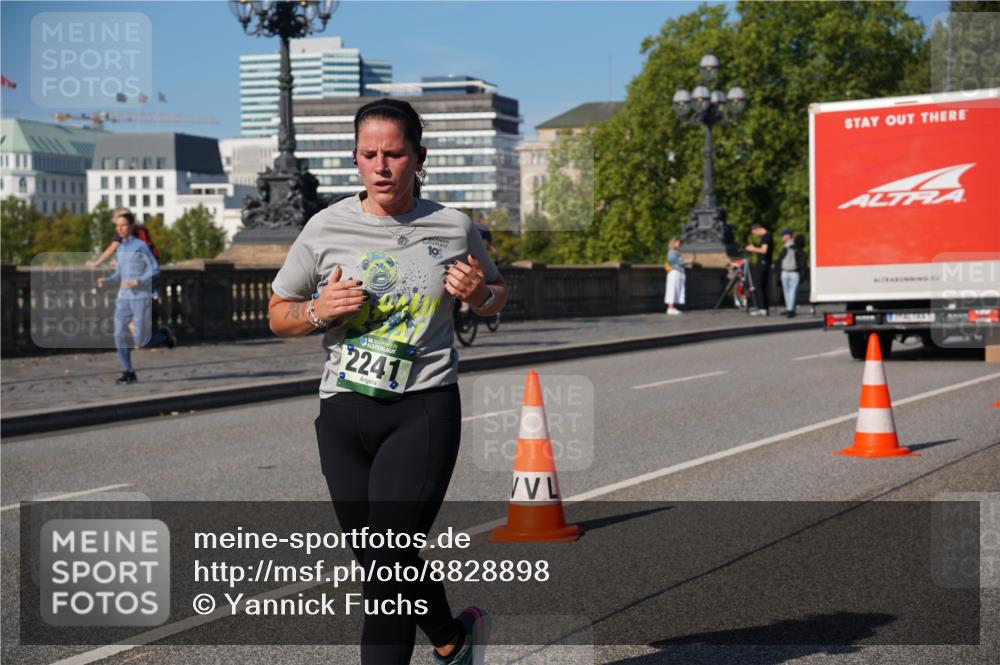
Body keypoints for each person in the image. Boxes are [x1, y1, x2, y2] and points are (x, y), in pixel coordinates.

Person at [268, 98, 506, 665]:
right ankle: (451, 638)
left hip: (421, 409)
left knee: (386, 568)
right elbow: (278, 313)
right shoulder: (325, 226)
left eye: (394, 154)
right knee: (379, 561)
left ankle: (444, 641)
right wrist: (319, 311)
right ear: (355, 158)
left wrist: (479, 295)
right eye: (369, 154)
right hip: (343, 412)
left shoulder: (453, 226)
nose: (381, 166)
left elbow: (497, 294)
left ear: (418, 158)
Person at [96, 209, 174, 384]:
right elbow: (120, 273)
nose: (120, 229)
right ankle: (128, 372)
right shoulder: (121, 248)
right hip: (123, 298)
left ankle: (163, 335)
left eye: (123, 225)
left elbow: (155, 269)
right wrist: (106, 281)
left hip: (140, 297)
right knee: (118, 334)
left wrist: (137, 281)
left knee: (141, 341)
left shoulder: (141, 246)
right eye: (117, 226)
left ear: (131, 226)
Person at [777, 228, 806, 317]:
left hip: (785, 272)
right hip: (794, 272)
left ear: (788, 236)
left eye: (783, 235)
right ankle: (790, 310)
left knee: (786, 292)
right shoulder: (797, 247)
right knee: (792, 292)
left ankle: (789, 309)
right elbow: (802, 262)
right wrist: (803, 274)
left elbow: (779, 260)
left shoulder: (785, 247)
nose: (782, 237)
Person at [745, 222, 772, 316]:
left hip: (762, 264)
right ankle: (765, 308)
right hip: (765, 264)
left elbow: (764, 250)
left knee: (758, 285)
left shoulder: (766, 237)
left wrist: (752, 249)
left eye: (755, 233)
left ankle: (762, 308)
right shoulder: (768, 236)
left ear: (757, 229)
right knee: (763, 286)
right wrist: (755, 246)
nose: (755, 235)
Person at [663, 237, 689, 315]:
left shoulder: (676, 252)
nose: (679, 244)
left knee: (675, 289)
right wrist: (686, 261)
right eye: (677, 242)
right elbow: (673, 261)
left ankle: (672, 307)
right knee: (672, 289)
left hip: (677, 272)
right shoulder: (671, 252)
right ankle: (670, 308)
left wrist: (685, 261)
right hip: (674, 272)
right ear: (673, 243)